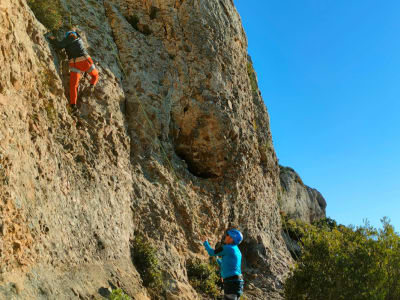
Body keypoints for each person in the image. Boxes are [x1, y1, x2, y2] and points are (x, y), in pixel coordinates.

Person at [49, 30, 99, 111]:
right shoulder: (79, 40)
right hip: (86, 61)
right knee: (95, 75)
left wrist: (53, 39)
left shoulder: (70, 37)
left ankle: (73, 105)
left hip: (75, 64)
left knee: (74, 86)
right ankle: (92, 85)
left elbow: (59, 45)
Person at [203, 229, 244, 300]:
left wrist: (205, 242)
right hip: (236, 282)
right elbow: (226, 265)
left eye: (228, 235)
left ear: (232, 239)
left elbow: (211, 252)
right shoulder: (237, 251)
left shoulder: (227, 248)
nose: (225, 236)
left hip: (231, 283)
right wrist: (217, 259)